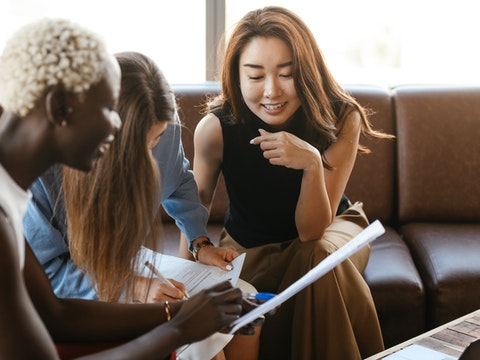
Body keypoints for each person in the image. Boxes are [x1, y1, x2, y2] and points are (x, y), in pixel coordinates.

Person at [0, 17, 255, 360]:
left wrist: (180, 313)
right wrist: (177, 329)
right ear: (60, 108)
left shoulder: (10, 192)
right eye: (108, 110)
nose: (114, 126)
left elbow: (55, 314)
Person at [191, 6, 394, 360]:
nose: (272, 91)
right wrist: (186, 279)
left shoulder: (341, 117)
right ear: (236, 78)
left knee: (315, 257)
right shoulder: (215, 130)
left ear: (308, 71)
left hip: (332, 230)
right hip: (249, 246)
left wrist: (313, 164)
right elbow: (193, 206)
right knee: (314, 264)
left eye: (287, 74)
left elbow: (312, 231)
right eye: (255, 77)